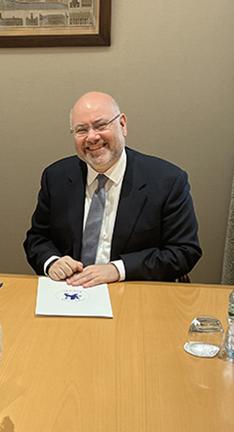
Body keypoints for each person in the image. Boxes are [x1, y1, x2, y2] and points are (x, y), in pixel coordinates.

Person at [23, 91, 202, 287]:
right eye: (81, 130)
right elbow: (37, 239)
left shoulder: (167, 180)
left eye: (100, 125)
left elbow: (184, 252)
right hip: (70, 292)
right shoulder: (56, 177)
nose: (92, 137)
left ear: (122, 125)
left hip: (134, 291)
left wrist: (117, 270)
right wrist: (52, 262)